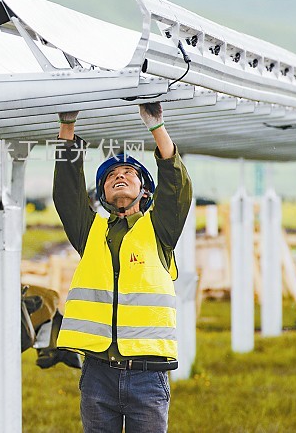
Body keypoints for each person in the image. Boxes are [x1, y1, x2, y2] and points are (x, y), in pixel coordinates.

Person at [53, 102, 192, 433]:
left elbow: (177, 190)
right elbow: (67, 194)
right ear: (102, 194)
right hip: (98, 373)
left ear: (145, 192)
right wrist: (67, 128)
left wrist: (157, 126)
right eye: (112, 176)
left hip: (148, 375)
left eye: (129, 174)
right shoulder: (91, 231)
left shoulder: (160, 229)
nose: (119, 176)